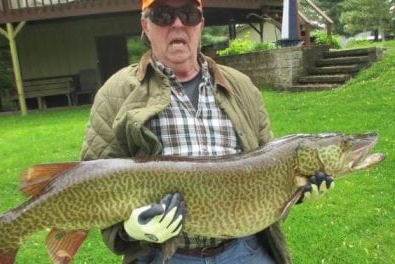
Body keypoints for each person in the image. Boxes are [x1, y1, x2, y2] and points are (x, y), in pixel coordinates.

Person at [80, 0, 334, 263]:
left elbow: (271, 164)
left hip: (243, 250)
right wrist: (128, 230)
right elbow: (90, 179)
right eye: (163, 14)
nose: (177, 23)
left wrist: (297, 188)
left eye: (189, 14)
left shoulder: (241, 86)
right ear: (146, 24)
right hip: (162, 254)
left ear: (201, 23)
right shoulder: (117, 91)